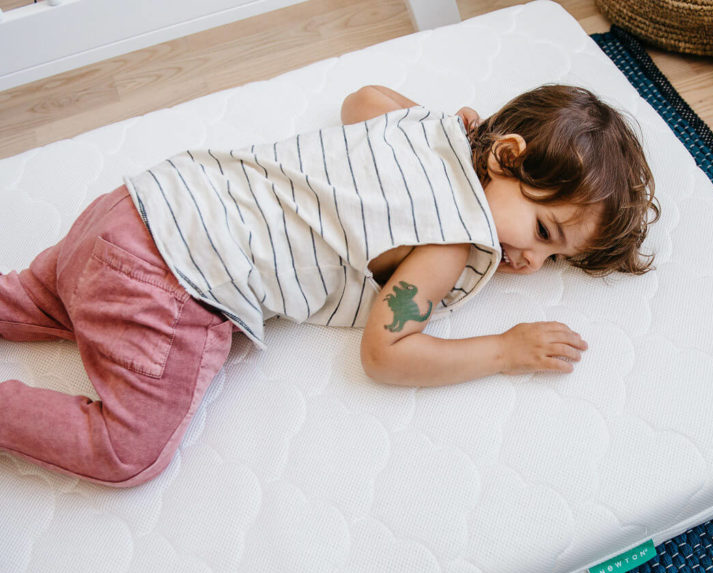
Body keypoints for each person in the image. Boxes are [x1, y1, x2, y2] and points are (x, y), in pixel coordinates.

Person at [0, 83, 658, 487]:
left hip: (134, 207)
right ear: (506, 156)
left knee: (30, 299)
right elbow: (387, 353)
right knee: (130, 450)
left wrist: (452, 135)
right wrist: (504, 349)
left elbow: (361, 99)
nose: (532, 260)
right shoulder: (451, 244)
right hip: (175, 280)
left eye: (554, 256)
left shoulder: (420, 127)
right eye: (543, 232)